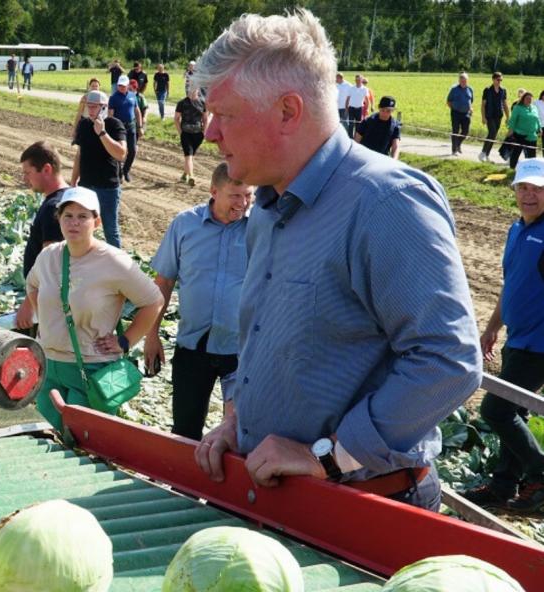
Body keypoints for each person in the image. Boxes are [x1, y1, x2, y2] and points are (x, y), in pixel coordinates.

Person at [191, 10, 481, 512]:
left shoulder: (387, 204)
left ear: (288, 110)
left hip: (361, 506)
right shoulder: (266, 209)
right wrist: (239, 423)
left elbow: (447, 360)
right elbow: (269, 339)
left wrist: (327, 456)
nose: (210, 133)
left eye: (226, 115)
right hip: (277, 494)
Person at [26, 187, 164, 430]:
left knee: (84, 448)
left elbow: (153, 301)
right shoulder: (49, 256)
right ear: (59, 219)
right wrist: (48, 324)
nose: (74, 223)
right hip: (49, 365)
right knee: (51, 444)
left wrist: (125, 341)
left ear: (96, 221)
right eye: (68, 215)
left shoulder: (113, 261)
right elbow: (33, 286)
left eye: (83, 216)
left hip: (91, 370)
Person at [145, 163, 253, 440]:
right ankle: (183, 483)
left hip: (242, 351)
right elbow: (164, 283)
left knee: (240, 432)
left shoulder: (260, 229)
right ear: (214, 191)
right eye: (235, 196)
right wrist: (152, 334)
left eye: (248, 196)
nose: (242, 204)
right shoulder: (185, 224)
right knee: (185, 430)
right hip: (193, 344)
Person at [462, 158, 544, 512]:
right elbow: (512, 285)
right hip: (518, 339)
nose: (530, 195)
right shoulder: (517, 229)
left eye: (539, 189)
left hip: (539, 346)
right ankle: (503, 486)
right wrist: (494, 325)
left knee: (496, 409)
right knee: (516, 413)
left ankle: (540, 473)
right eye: (524, 187)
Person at [15, 141, 68, 331]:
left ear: (46, 169)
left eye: (28, 173)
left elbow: (51, 263)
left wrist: (29, 304)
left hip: (47, 303)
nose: (25, 179)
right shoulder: (69, 198)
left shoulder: (54, 208)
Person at [71, 90, 127, 248]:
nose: (91, 110)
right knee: (82, 226)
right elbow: (79, 154)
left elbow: (121, 154)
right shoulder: (83, 124)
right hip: (86, 185)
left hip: (108, 187)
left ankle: (117, 264)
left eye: (95, 107)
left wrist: (102, 133)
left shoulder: (114, 125)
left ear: (104, 107)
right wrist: (74, 179)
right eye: (89, 106)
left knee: (110, 229)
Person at [108, 75, 143, 183]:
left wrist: (140, 126)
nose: (121, 87)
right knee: (119, 151)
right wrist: (111, 127)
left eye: (123, 86)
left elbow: (137, 111)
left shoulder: (133, 96)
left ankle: (126, 170)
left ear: (128, 85)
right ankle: (118, 173)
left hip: (131, 126)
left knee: (132, 150)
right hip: (119, 127)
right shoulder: (113, 98)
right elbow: (110, 114)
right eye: (119, 85)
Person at [174, 89, 210, 186]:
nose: (193, 91)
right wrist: (180, 132)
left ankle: (185, 174)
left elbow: (206, 119)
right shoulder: (182, 103)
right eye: (191, 89)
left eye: (195, 89)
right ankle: (192, 176)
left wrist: (204, 132)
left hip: (198, 134)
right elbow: (176, 118)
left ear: (198, 90)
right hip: (186, 133)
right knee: (188, 156)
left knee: (190, 156)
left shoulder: (203, 103)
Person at [479, 72, 510, 162]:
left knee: (494, 135)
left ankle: (487, 155)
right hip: (489, 115)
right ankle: (483, 153)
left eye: (501, 80)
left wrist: (508, 116)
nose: (500, 81)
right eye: (498, 79)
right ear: (493, 79)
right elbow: (483, 105)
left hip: (498, 116)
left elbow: (505, 104)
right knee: (492, 132)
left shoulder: (503, 90)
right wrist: (483, 117)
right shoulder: (487, 90)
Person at [506, 91, 540, 169]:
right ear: (523, 99)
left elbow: (537, 119)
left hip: (532, 136)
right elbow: (513, 120)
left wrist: (539, 129)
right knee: (516, 153)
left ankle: (530, 171)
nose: (529, 100)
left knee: (532, 156)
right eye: (527, 98)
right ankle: (512, 168)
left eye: (530, 99)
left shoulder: (534, 108)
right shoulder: (517, 108)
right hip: (520, 135)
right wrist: (510, 131)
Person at [447, 72, 474, 156]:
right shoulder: (454, 89)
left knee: (465, 131)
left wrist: (470, 109)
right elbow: (448, 101)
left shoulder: (470, 89)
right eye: (462, 80)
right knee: (455, 130)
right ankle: (454, 150)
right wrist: (454, 108)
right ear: (459, 80)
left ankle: (458, 144)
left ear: (467, 80)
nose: (463, 82)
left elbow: (471, 101)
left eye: (465, 80)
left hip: (466, 113)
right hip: (456, 113)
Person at [344, 74, 369, 138]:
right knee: (351, 124)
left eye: (359, 80)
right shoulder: (351, 88)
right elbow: (347, 99)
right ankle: (350, 138)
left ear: (361, 80)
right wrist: (346, 109)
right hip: (351, 108)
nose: (357, 81)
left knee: (358, 125)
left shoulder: (365, 89)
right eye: (356, 80)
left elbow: (367, 100)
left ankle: (356, 138)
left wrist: (367, 109)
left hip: (359, 109)